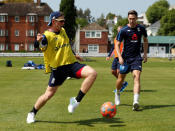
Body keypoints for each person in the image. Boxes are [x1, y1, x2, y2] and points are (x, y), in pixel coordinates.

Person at [26, 11, 97, 124]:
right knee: (48, 94)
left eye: (64, 20)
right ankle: (32, 113)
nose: (63, 23)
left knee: (92, 73)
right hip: (58, 70)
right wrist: (37, 41)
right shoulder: (47, 35)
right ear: (54, 22)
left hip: (72, 64)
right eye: (61, 21)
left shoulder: (63, 31)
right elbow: (39, 44)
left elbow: (66, 44)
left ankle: (76, 101)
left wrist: (74, 54)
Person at [115, 10, 148, 111]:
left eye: (133, 19)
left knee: (136, 77)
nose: (132, 20)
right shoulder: (123, 30)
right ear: (128, 18)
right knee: (120, 79)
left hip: (137, 58)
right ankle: (117, 92)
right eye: (130, 19)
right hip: (125, 58)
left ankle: (135, 102)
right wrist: (120, 57)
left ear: (136, 18)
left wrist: (145, 54)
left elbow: (145, 40)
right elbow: (117, 44)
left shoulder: (141, 28)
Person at [106, 26, 128, 93]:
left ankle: (119, 88)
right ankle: (123, 82)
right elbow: (113, 47)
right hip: (116, 57)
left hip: (121, 57)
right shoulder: (116, 38)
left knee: (119, 72)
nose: (119, 31)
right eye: (118, 30)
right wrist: (109, 55)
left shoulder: (125, 38)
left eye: (120, 30)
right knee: (113, 71)